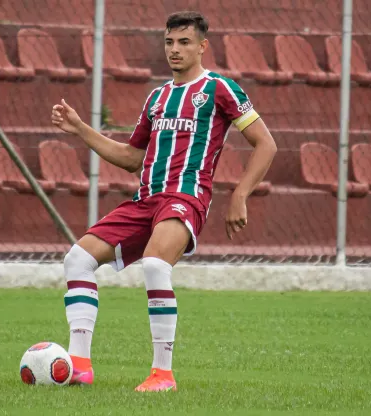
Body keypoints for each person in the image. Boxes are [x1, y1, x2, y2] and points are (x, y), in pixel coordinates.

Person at [50, 10, 277, 392]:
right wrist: (81, 130)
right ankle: (79, 365)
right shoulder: (157, 98)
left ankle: (162, 374)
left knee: (155, 265)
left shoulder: (220, 89)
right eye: (169, 42)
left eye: (184, 42)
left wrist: (240, 194)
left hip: (186, 196)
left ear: (202, 46)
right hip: (146, 199)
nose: (175, 49)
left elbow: (266, 143)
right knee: (78, 259)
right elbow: (132, 157)